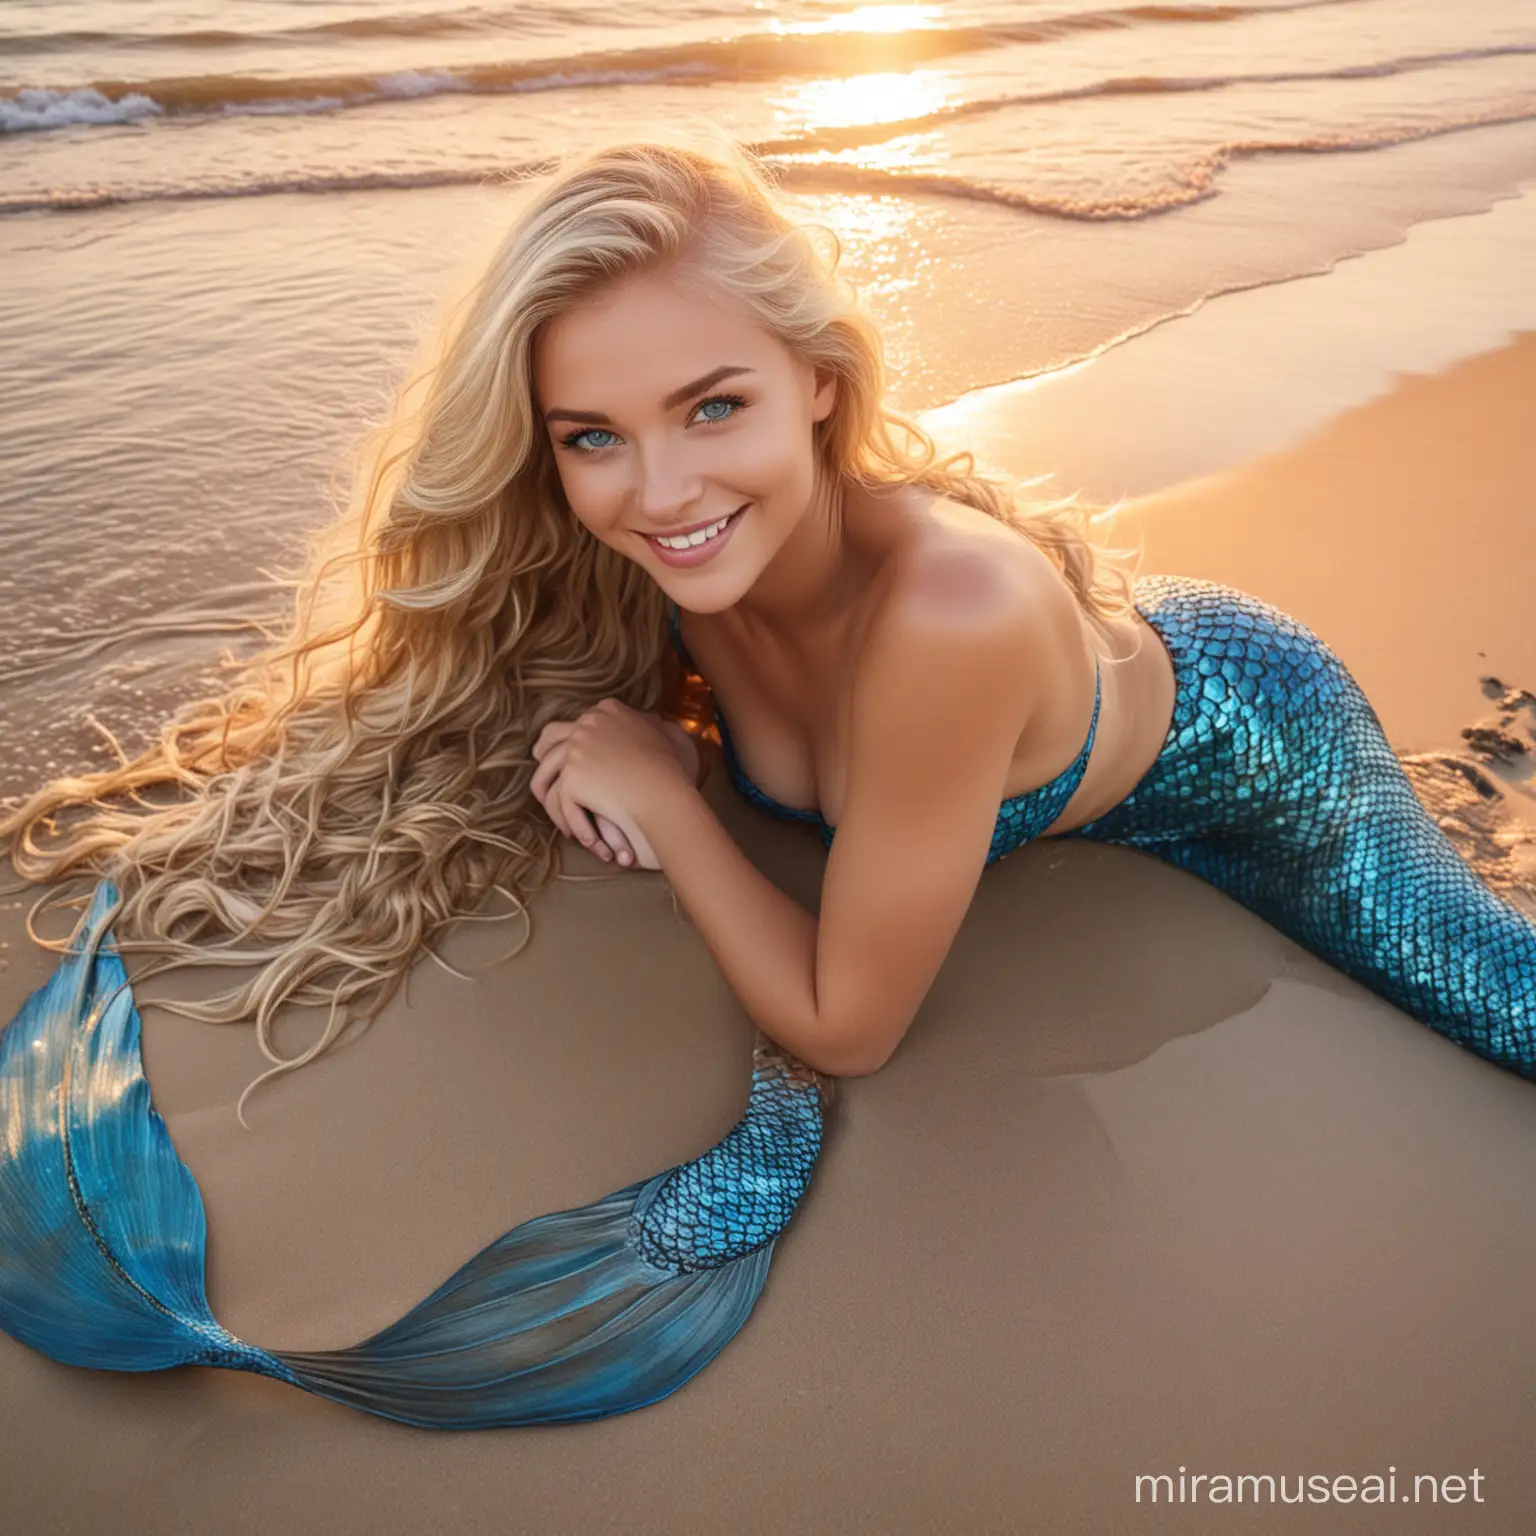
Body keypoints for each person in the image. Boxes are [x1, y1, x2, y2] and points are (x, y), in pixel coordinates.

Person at [0, 127, 1531, 1432]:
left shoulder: (951, 615)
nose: (658, 492)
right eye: (592, 437)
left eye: (713, 406)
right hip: (1081, 698)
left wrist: (669, 801)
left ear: (818, 380)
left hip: (1265, 751)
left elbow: (847, 1027)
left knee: (1505, 1006)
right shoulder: (682, 565)